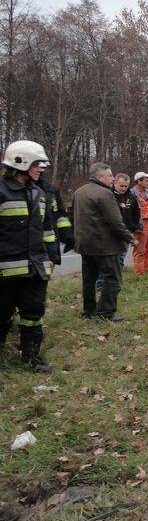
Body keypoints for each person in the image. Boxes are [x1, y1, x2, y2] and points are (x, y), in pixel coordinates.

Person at [0, 140, 58, 372]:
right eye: (37, 164)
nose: (40, 169)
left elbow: (47, 229)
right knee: (2, 314)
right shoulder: (1, 192)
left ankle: (31, 356)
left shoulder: (39, 193)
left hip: (35, 269)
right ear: (20, 163)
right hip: (5, 272)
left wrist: (51, 256)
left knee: (33, 314)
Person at [73, 163, 136, 322]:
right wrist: (130, 238)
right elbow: (116, 222)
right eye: (110, 175)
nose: (113, 178)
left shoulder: (79, 192)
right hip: (105, 247)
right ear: (100, 177)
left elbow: (71, 215)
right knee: (113, 278)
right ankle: (105, 314)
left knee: (89, 279)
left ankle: (89, 311)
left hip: (85, 245)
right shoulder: (105, 194)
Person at [131, 171, 148, 275]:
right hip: (140, 223)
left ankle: (145, 269)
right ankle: (139, 273)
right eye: (146, 180)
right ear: (139, 181)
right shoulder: (132, 193)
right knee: (139, 249)